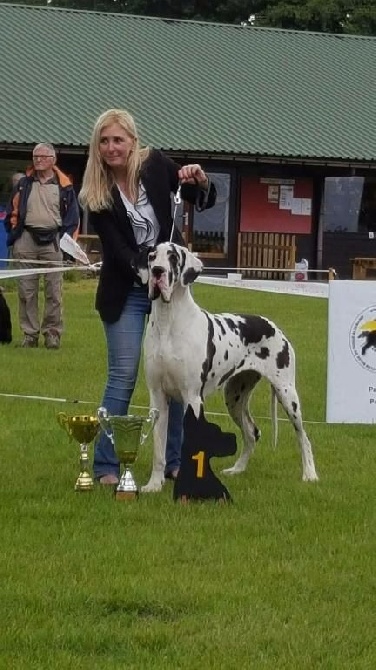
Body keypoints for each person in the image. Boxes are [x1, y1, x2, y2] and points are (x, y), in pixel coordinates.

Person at [79, 108, 217, 485]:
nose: (111, 148)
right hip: (126, 289)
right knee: (122, 377)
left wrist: (198, 179)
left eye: (117, 140)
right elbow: (117, 250)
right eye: (104, 141)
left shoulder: (156, 165)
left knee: (177, 377)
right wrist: (148, 275)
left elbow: (194, 195)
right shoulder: (95, 191)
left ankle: (175, 463)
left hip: (173, 288)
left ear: (132, 141)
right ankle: (106, 467)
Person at [4, 143, 80, 349]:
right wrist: (14, 234)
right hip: (26, 238)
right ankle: (30, 335)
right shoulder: (24, 184)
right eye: (35, 156)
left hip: (53, 240)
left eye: (43, 156)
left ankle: (52, 334)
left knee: (54, 291)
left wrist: (65, 243)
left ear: (53, 160)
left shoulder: (65, 186)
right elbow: (13, 210)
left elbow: (73, 217)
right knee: (26, 291)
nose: (38, 160)